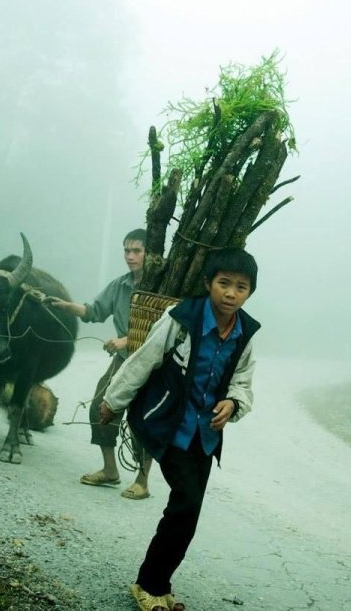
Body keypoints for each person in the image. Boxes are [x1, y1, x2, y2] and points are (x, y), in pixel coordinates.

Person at [100, 247, 260, 611]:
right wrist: (113, 401)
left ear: (250, 292)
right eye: (224, 284)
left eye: (241, 287)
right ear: (208, 284)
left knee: (188, 510)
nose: (231, 293)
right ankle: (149, 585)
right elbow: (144, 359)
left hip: (205, 436)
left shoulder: (245, 332)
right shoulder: (181, 317)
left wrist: (233, 403)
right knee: (185, 503)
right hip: (167, 423)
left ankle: (159, 585)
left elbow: (243, 382)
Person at [47, 228, 155, 500]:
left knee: (143, 418)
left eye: (137, 251)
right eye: (126, 250)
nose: (130, 256)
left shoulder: (160, 287)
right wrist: (64, 305)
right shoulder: (120, 286)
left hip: (154, 363)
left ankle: (142, 481)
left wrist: (125, 340)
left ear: (149, 254)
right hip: (123, 360)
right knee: (100, 406)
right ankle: (110, 470)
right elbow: (93, 311)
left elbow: (163, 330)